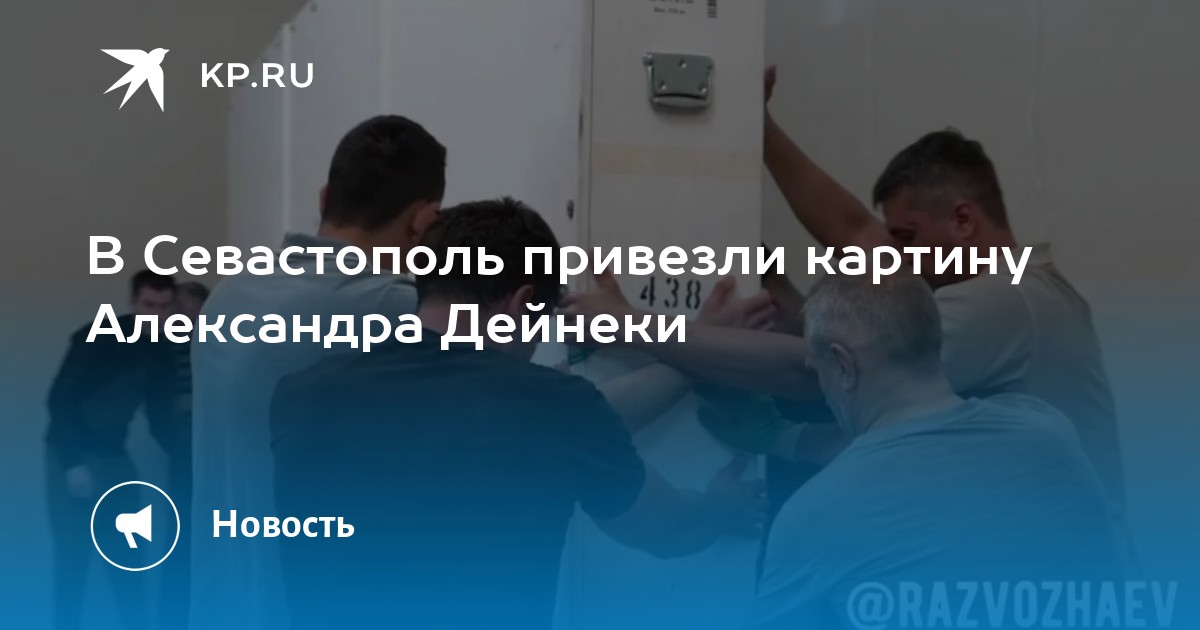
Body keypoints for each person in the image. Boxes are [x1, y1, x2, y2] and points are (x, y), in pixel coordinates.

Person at [563, 69, 1126, 518]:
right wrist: (758, 126)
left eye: (907, 238)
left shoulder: (1003, 302)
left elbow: (815, 368)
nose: (896, 257)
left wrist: (631, 324)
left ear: (962, 220)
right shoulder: (1017, 293)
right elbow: (857, 235)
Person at [269, 198, 765, 630]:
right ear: (522, 302)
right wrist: (722, 506)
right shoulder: (553, 407)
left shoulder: (302, 394)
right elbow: (666, 527)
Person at [189, 115, 448, 629]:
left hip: (217, 600)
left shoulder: (229, 295)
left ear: (326, 198)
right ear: (424, 221)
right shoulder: (391, 307)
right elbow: (527, 381)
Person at [752, 274, 1124, 630]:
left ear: (843, 365)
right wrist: (785, 438)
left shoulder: (815, 515)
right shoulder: (1049, 431)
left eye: (818, 371)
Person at [45, 269, 176, 630]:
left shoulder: (162, 349)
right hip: (70, 452)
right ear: (133, 302)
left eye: (165, 307)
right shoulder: (99, 336)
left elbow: (159, 413)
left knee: (129, 554)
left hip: (114, 453)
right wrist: (72, 464)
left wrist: (186, 452)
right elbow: (60, 399)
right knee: (73, 558)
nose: (156, 315)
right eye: (149, 305)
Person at [149, 280, 207, 630]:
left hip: (213, 461)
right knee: (180, 543)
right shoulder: (165, 352)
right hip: (185, 460)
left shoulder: (219, 349)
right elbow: (158, 412)